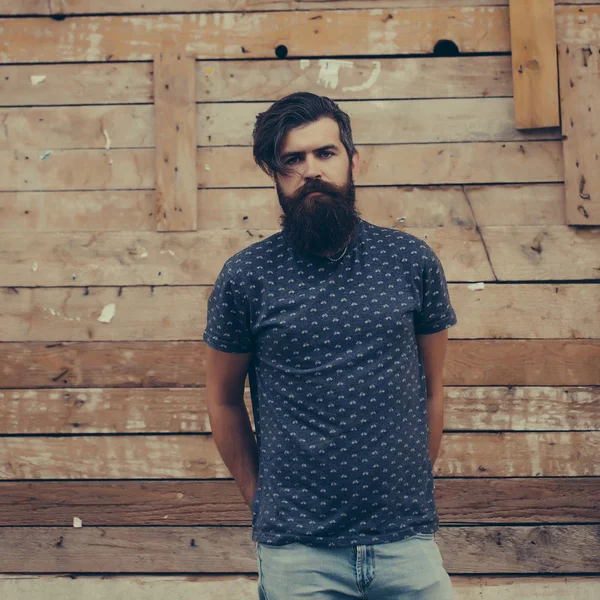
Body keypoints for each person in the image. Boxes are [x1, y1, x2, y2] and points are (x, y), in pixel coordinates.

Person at [203, 92, 457, 599]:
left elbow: (432, 387)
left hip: (406, 544)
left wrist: (406, 491)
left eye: (325, 153)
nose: (311, 171)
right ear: (272, 174)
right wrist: (262, 502)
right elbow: (223, 401)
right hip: (300, 555)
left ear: (352, 159)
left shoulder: (410, 261)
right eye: (292, 160)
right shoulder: (246, 277)